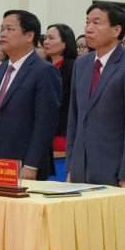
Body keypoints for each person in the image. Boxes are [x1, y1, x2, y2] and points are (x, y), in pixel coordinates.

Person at [64, 1, 125, 187]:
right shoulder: (81, 65)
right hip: (80, 170)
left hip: (114, 172)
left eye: (96, 23)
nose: (88, 28)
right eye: (87, 22)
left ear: (116, 30)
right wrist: (71, 167)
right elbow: (74, 119)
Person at [0, 10, 61, 179]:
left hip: (23, 163)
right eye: (1, 29)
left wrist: (32, 164)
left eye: (9, 29)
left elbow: (46, 123)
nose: (3, 34)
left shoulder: (44, 71)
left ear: (29, 35)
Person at [42, 24, 77, 164]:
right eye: (45, 38)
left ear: (64, 43)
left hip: (63, 130)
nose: (46, 42)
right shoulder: (43, 66)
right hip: (44, 129)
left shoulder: (73, 67)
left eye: (51, 38)